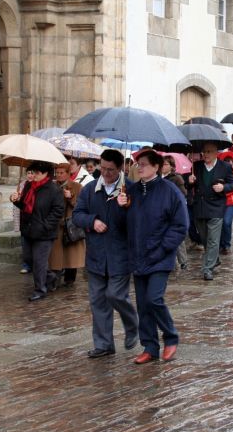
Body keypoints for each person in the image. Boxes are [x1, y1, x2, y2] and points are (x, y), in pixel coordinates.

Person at [117, 150, 187, 364]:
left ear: (156, 167)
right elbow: (124, 225)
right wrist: (122, 207)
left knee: (154, 299)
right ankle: (150, 346)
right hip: (138, 255)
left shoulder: (170, 191)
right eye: (138, 164)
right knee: (143, 304)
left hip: (160, 255)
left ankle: (171, 336)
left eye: (144, 164)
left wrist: (164, 247)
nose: (140, 168)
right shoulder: (132, 191)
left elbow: (180, 224)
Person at [72, 149, 139, 358]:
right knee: (98, 301)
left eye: (111, 170)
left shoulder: (131, 190)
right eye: (103, 168)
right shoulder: (90, 189)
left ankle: (132, 324)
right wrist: (92, 221)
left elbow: (138, 222)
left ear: (120, 169)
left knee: (115, 294)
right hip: (96, 255)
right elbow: (77, 215)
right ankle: (103, 344)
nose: (106, 173)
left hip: (121, 254)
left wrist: (126, 207)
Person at [11, 161, 65, 302]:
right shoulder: (29, 186)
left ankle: (40, 289)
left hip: (44, 233)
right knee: (29, 259)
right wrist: (15, 200)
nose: (33, 175)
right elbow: (24, 205)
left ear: (45, 174)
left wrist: (45, 225)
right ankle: (50, 276)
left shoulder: (54, 189)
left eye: (36, 172)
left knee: (39, 262)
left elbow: (58, 210)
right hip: (28, 229)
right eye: (32, 172)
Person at [186, 142, 233, 281]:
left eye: (209, 152)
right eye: (204, 151)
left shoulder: (225, 167)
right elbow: (188, 184)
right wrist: (189, 181)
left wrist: (223, 187)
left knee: (214, 240)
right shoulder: (196, 166)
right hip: (200, 207)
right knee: (205, 238)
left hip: (216, 207)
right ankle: (215, 259)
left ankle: (207, 268)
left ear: (216, 153)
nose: (206, 154)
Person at [48, 163, 85, 289]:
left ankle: (70, 279)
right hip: (56, 226)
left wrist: (70, 198)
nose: (58, 175)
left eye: (61, 173)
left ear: (68, 173)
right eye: (57, 173)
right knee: (55, 257)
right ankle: (54, 281)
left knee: (71, 255)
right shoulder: (52, 186)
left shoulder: (77, 187)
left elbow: (82, 207)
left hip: (71, 226)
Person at [161, 155, 189, 269]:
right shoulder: (158, 178)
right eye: (162, 164)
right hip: (161, 211)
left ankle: (183, 261)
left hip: (173, 211)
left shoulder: (177, 178)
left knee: (176, 236)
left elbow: (183, 194)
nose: (163, 166)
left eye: (166, 164)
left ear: (172, 166)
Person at [219, 154, 233, 255]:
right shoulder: (220, 174)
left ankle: (226, 244)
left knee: (227, 222)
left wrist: (222, 189)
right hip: (220, 202)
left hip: (231, 202)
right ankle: (221, 244)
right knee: (220, 223)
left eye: (231, 164)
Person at [15, 169, 35, 274]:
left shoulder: (37, 186)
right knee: (25, 244)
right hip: (24, 218)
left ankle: (34, 264)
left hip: (34, 219)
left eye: (32, 173)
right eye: (28, 173)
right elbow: (19, 203)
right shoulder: (22, 185)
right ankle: (26, 264)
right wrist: (15, 197)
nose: (30, 175)